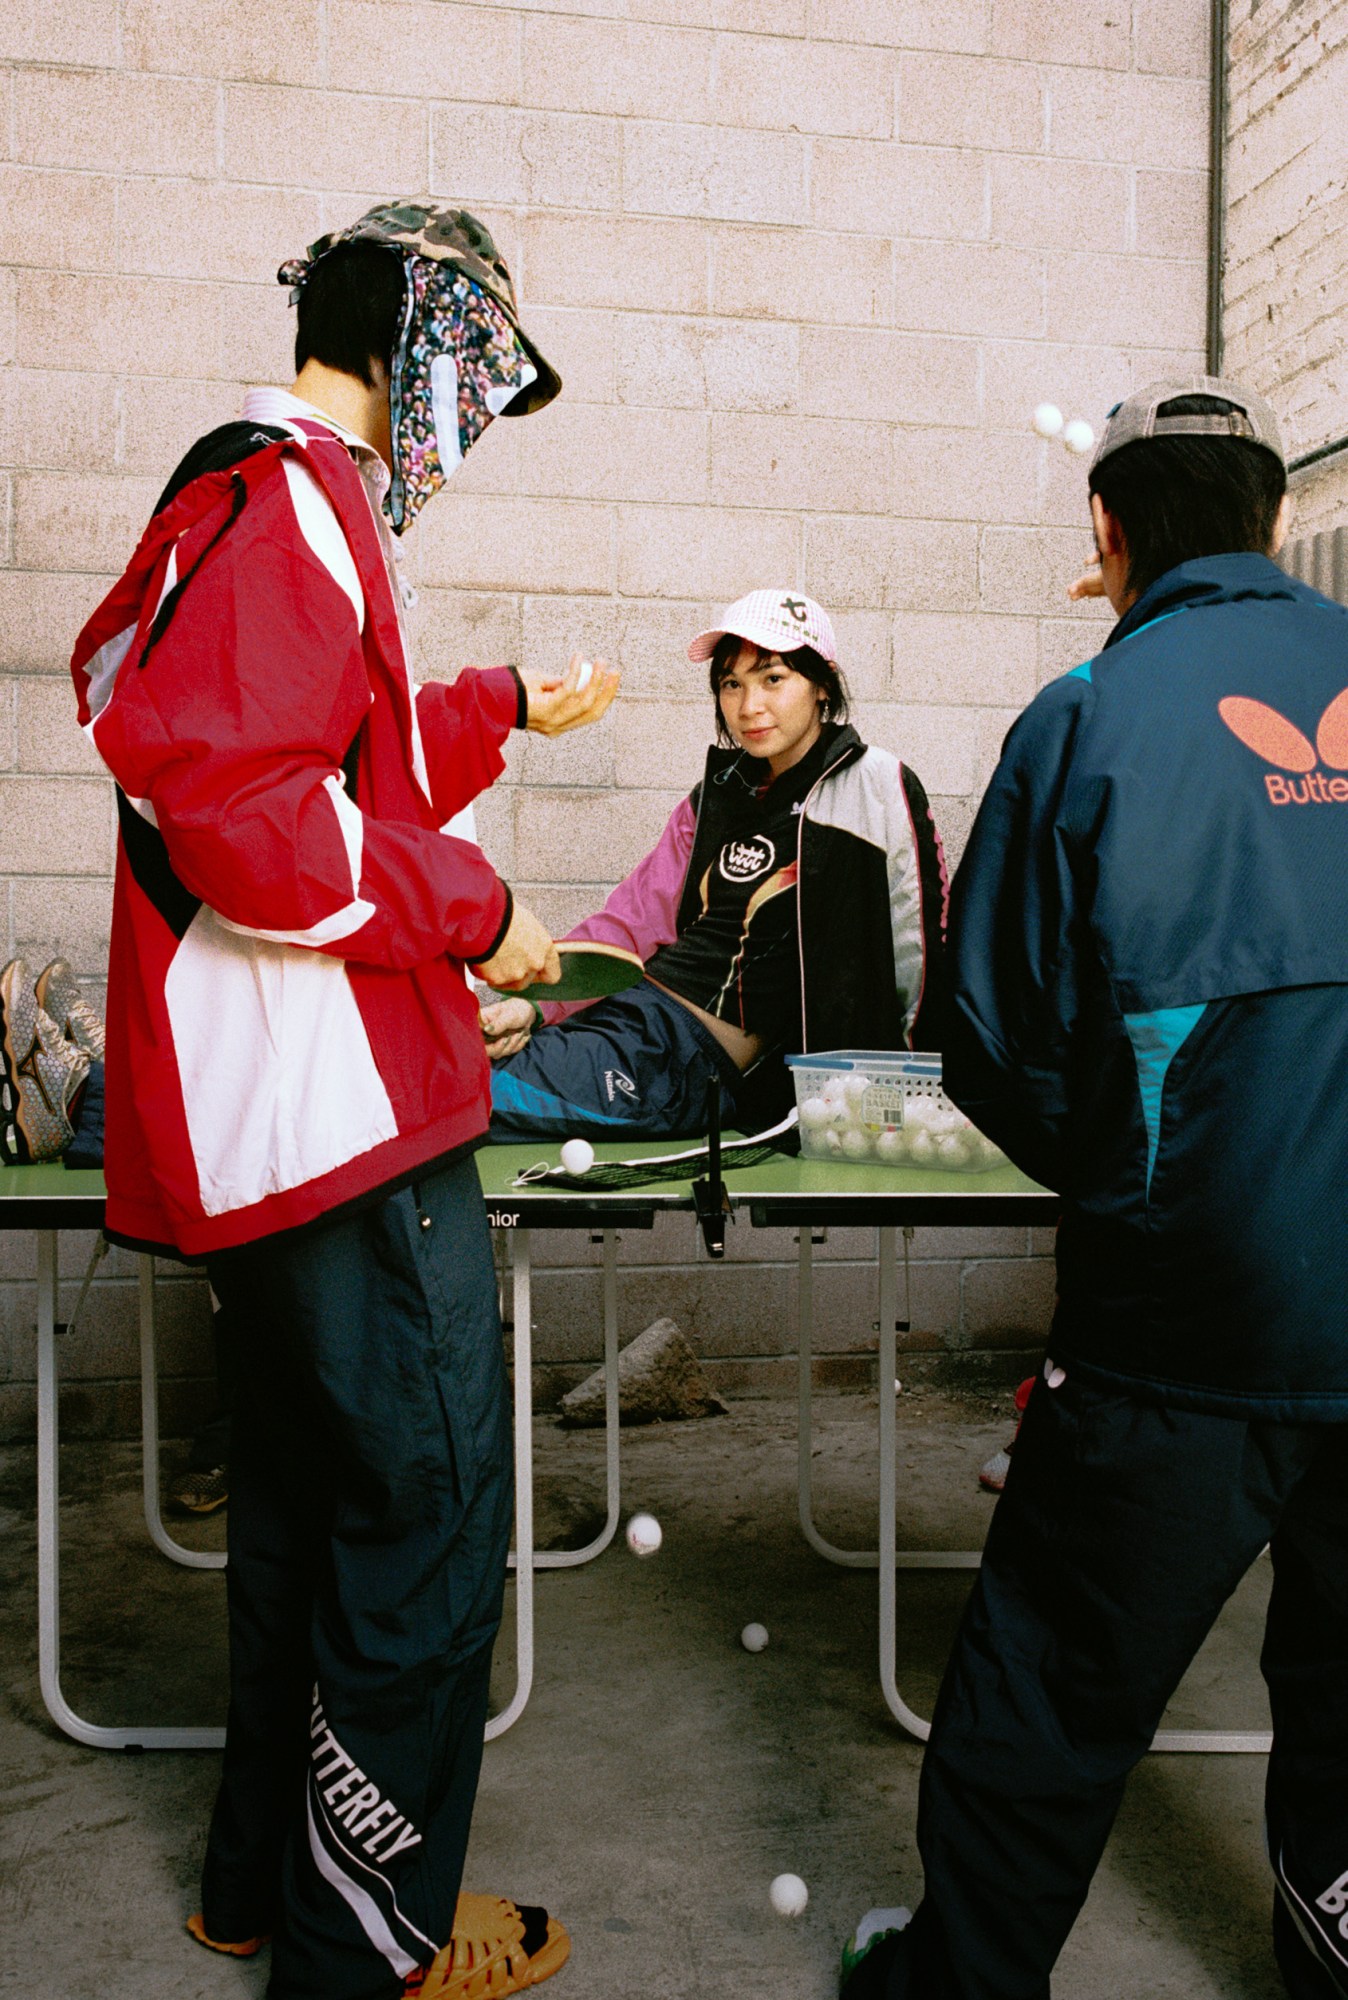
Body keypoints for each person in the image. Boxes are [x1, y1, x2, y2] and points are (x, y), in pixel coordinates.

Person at [68, 200, 618, 2000]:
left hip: (272, 1138)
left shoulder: (262, 494)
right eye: (478, 375)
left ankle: (265, 1888)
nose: (473, 429)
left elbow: (335, 755)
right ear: (419, 340)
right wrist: (482, 912)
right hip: (340, 1125)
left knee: (310, 1522)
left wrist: (496, 706)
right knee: (431, 1531)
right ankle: (359, 1941)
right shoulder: (294, 497)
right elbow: (239, 804)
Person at [839, 377, 1348, 2000]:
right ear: (1273, 521)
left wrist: (1128, 1179)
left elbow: (985, 1045)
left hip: (1179, 1315)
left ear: (1106, 533)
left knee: (1048, 1681)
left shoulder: (1081, 717)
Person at [481, 590, 948, 1142]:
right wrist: (535, 1007)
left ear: (822, 684)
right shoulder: (715, 799)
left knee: (452, 1093)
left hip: (687, 1067)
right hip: (631, 1024)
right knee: (445, 1066)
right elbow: (630, 922)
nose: (749, 705)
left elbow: (921, 943)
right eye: (732, 683)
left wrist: (920, 1096)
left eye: (772, 678)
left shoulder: (874, 785)